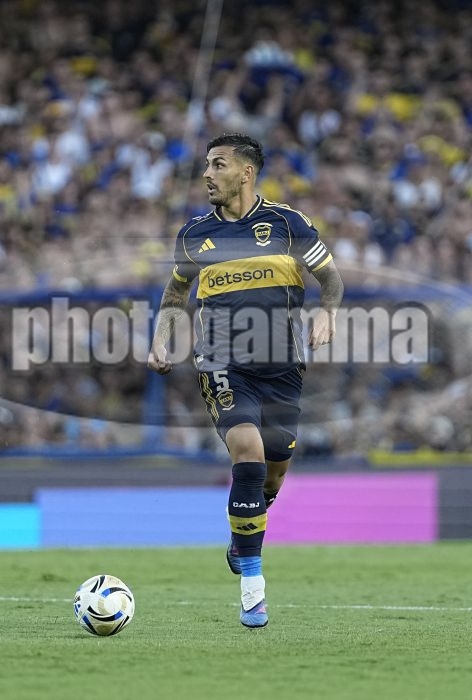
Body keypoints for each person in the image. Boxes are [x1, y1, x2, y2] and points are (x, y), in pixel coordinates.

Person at [148, 133, 344, 628]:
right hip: (221, 362)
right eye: (206, 165)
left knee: (273, 471)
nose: (207, 174)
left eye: (218, 164)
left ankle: (243, 536)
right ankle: (253, 592)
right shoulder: (194, 235)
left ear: (246, 172)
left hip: (283, 368)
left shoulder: (287, 223)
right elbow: (175, 295)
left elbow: (332, 279)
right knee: (248, 453)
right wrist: (160, 339)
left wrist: (327, 313)